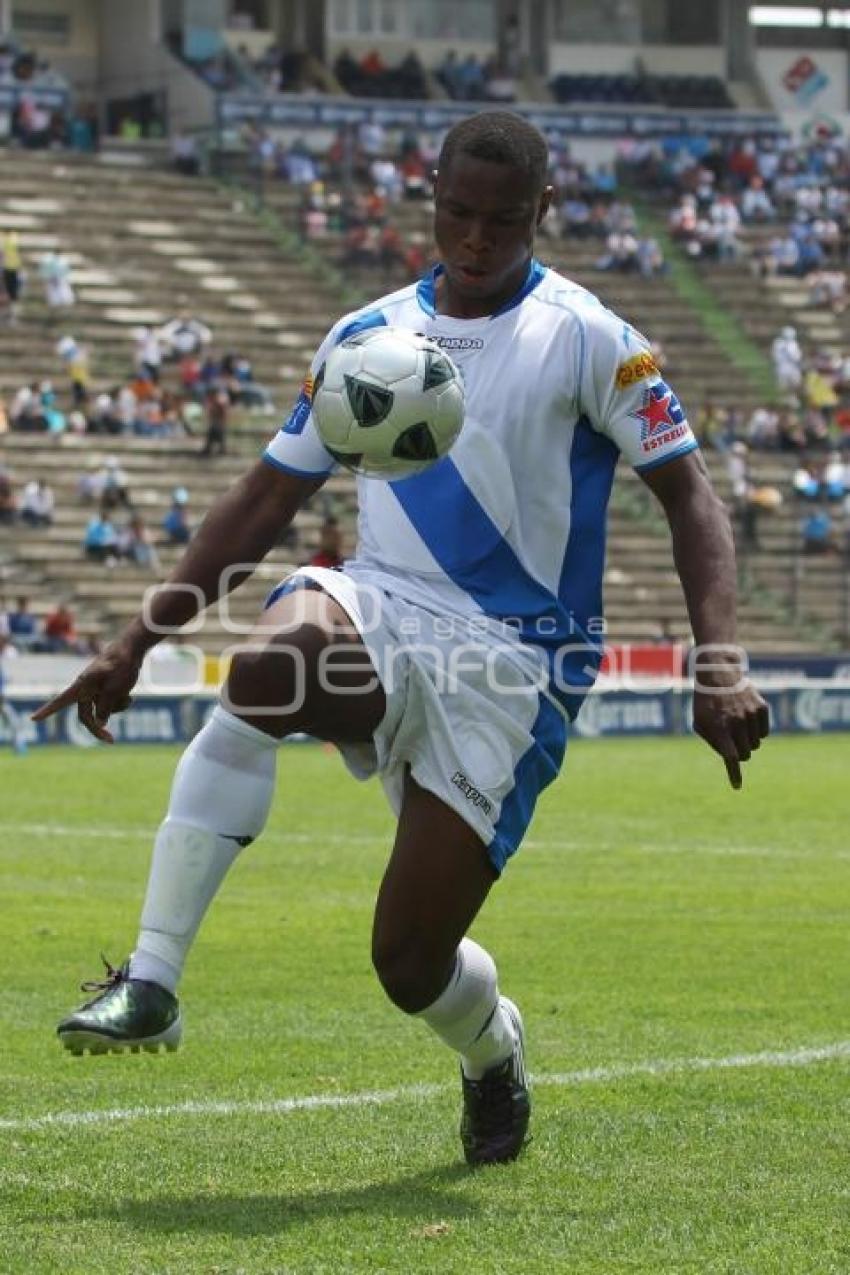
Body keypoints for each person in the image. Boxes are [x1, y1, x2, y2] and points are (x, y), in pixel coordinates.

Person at [34, 112, 768, 1170]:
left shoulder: (592, 338)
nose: (476, 239)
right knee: (268, 667)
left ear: (544, 212)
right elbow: (266, 495)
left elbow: (693, 501)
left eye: (503, 221)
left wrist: (721, 663)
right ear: (428, 198)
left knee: (409, 961)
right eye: (458, 214)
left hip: (515, 665)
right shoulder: (367, 339)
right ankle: (151, 982)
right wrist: (138, 637)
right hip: (381, 604)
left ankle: (491, 1051)